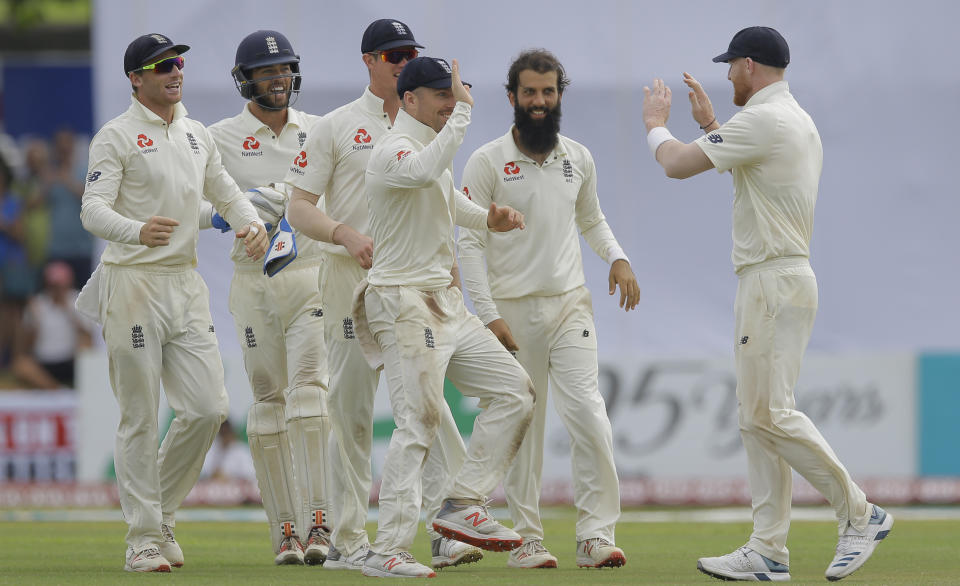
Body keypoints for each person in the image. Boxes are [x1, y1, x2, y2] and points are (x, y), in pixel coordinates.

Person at [641, 26, 893, 582]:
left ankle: (860, 513)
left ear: (749, 65)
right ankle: (768, 550)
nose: (726, 74)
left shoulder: (764, 119)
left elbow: (677, 165)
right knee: (756, 420)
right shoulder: (792, 119)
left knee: (769, 413)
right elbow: (748, 172)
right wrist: (712, 126)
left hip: (772, 281)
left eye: (730, 65)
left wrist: (656, 127)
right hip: (776, 278)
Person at [285, 19, 482, 572]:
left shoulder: (428, 125)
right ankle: (350, 543)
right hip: (351, 284)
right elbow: (298, 206)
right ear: (370, 60)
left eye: (411, 54)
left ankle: (443, 530)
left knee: (429, 408)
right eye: (393, 54)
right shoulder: (336, 126)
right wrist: (344, 234)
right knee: (349, 412)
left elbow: (440, 204)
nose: (402, 62)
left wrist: (451, 270)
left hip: (417, 288)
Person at [79, 33, 268, 573]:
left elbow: (226, 192)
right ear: (136, 78)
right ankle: (142, 538)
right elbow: (93, 210)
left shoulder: (194, 134)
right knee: (139, 416)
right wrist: (137, 230)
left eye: (179, 61)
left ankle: (158, 513)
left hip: (183, 284)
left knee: (208, 408)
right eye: (162, 65)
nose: (175, 71)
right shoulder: (115, 137)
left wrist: (249, 222)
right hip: (132, 282)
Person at [347, 56, 533, 578]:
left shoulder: (428, 144)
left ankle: (462, 502)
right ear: (408, 100)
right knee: (419, 423)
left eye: (452, 92)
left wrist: (486, 217)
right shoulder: (392, 150)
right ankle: (387, 551)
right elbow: (424, 172)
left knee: (516, 392)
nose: (449, 100)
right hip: (401, 302)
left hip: (443, 301)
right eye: (438, 93)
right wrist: (463, 117)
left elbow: (441, 195)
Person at [458, 48, 638, 570]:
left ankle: (595, 535)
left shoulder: (577, 158)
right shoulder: (487, 161)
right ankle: (528, 539)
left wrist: (619, 257)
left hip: (569, 306)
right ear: (512, 96)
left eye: (549, 92)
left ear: (560, 94)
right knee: (525, 427)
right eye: (530, 92)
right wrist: (488, 313)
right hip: (510, 311)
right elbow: (469, 243)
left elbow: (592, 220)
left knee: (589, 415)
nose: (540, 102)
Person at [202, 29, 332, 567]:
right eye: (267, 71)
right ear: (246, 79)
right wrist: (231, 216)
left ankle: (320, 521)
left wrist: (261, 204)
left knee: (310, 394)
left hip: (310, 276)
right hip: (254, 284)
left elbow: (330, 196)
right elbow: (191, 207)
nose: (278, 79)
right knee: (268, 403)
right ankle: (285, 531)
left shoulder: (321, 131)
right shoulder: (217, 138)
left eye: (284, 69)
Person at [11, 261, 93, 389]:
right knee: (21, 365)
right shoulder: (37, 304)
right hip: (44, 360)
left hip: (70, 359)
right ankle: (58, 391)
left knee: (85, 345)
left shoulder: (78, 299)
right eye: (53, 285)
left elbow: (88, 335)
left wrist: (67, 310)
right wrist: (34, 321)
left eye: (60, 285)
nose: (56, 289)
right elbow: (26, 346)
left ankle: (60, 390)